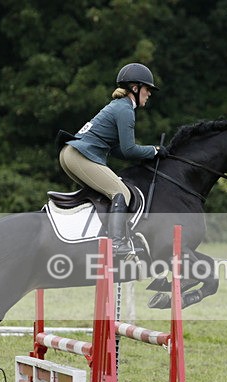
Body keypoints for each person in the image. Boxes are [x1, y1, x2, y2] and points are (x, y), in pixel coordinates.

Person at [59, 63, 167, 258]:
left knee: (107, 194)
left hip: (71, 154)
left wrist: (146, 154)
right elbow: (129, 149)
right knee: (121, 192)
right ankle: (117, 244)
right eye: (147, 89)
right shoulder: (125, 109)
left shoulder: (118, 106)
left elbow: (118, 151)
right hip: (79, 155)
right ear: (135, 88)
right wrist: (154, 150)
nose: (149, 93)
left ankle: (95, 238)